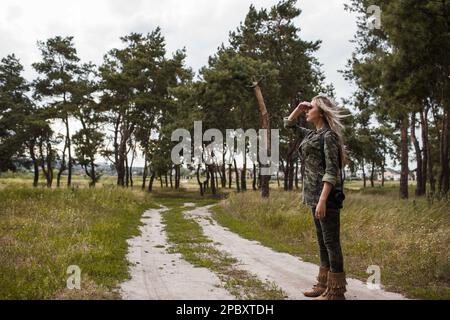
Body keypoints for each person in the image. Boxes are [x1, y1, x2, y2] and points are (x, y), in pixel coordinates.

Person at [284, 95, 348, 300]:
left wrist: (322, 200)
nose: (306, 111)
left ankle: (336, 292)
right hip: (314, 196)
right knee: (322, 242)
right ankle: (323, 285)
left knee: (331, 242)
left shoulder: (328, 136)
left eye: (310, 108)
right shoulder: (313, 134)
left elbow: (332, 171)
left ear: (320, 111)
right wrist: (299, 107)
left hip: (326, 198)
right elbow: (288, 124)